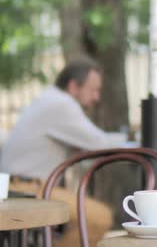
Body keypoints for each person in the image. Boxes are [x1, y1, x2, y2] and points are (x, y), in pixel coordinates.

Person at [1, 60, 126, 247]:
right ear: (74, 86)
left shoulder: (49, 99)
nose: (97, 97)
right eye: (93, 90)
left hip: (18, 184)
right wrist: (130, 139)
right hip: (26, 189)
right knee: (99, 218)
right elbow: (99, 143)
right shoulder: (61, 104)